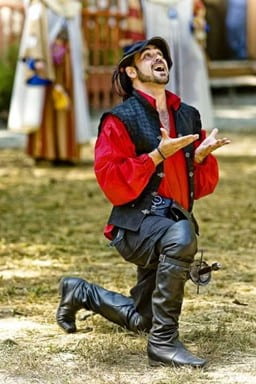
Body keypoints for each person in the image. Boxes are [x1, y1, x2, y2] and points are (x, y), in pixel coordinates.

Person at [56, 36, 230, 367]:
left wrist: (199, 160)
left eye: (160, 54)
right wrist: (155, 156)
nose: (157, 58)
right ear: (131, 72)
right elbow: (112, 184)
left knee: (144, 320)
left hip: (169, 228)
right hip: (135, 227)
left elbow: (200, 188)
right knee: (181, 235)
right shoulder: (120, 119)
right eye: (147, 56)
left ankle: (80, 292)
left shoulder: (188, 115)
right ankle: (164, 345)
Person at [7, 0, 92, 164]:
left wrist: (83, 61)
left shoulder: (73, 8)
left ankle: (67, 153)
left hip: (68, 65)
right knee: (45, 106)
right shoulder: (40, 5)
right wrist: (37, 58)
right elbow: (33, 33)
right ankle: (43, 151)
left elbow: (79, 39)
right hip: (47, 63)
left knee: (68, 104)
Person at [141, 0, 214, 131]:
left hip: (186, 39)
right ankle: (161, 122)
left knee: (191, 73)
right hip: (154, 15)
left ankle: (193, 121)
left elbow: (199, 18)